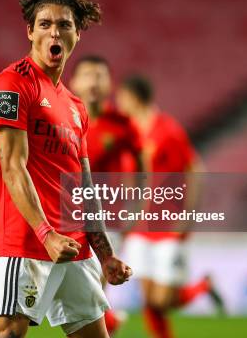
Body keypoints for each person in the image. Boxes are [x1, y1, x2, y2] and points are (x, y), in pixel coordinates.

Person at [0, 0, 132, 338]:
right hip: (29, 241)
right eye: (44, 24)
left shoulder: (76, 106)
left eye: (65, 25)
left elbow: (84, 186)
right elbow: (13, 167)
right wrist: (46, 233)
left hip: (75, 247)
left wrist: (106, 254)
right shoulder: (13, 86)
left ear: (77, 34)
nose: (54, 32)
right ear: (30, 32)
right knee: (9, 335)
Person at [116, 76, 224, 338]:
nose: (118, 103)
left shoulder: (167, 129)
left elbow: (195, 170)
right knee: (150, 301)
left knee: (162, 300)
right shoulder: (129, 134)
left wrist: (188, 216)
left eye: (122, 97)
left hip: (168, 224)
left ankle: (202, 286)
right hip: (141, 227)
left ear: (134, 97)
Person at [69, 55, 145, 335]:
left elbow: (140, 167)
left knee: (94, 287)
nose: (94, 81)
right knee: (83, 295)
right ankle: (111, 322)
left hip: (106, 218)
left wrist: (136, 207)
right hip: (66, 217)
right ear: (73, 82)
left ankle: (108, 324)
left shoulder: (121, 123)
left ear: (110, 83)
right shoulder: (62, 117)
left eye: (100, 75)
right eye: (88, 75)